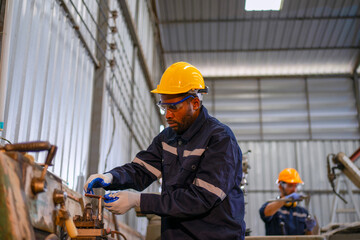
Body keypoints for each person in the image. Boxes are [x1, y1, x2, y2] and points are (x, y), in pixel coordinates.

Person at [84, 62, 246, 239]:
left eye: (173, 107)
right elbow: (141, 170)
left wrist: (137, 201)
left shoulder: (220, 139)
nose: (167, 115)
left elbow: (201, 198)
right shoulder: (167, 138)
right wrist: (110, 177)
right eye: (164, 107)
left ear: (195, 103)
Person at [259, 168, 316, 235]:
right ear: (280, 186)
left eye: (296, 186)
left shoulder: (302, 212)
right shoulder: (273, 208)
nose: (294, 190)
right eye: (290, 186)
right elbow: (266, 212)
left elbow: (308, 237)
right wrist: (285, 199)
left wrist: (309, 229)